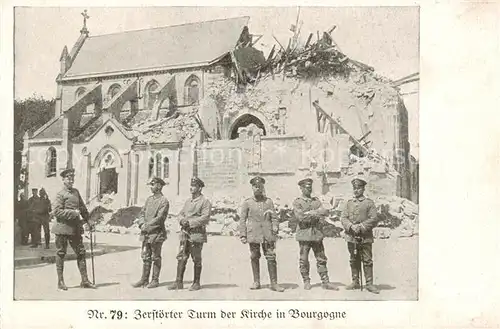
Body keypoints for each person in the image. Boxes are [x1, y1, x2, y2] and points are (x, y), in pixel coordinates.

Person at [52, 168, 96, 291]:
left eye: (72, 178)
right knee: (61, 253)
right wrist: (73, 213)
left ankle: (85, 280)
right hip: (62, 229)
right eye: (68, 178)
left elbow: (82, 208)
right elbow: (56, 211)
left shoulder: (76, 192)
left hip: (75, 229)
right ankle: (60, 282)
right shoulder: (60, 194)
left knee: (81, 253)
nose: (71, 180)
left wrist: (89, 220)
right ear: (63, 180)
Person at [238, 176, 284, 292]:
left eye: (260, 187)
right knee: (254, 256)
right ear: (252, 188)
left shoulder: (268, 202)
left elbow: (274, 217)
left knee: (271, 257)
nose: (258, 189)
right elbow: (242, 219)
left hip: (267, 234)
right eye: (256, 186)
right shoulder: (247, 203)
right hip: (253, 234)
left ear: (263, 187)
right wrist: (243, 234)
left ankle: (274, 283)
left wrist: (275, 227)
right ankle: (256, 281)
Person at [292, 178, 337, 290]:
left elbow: (324, 213)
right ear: (301, 188)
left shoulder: (316, 201)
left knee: (321, 258)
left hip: (316, 233)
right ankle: (306, 281)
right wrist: (316, 213)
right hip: (304, 234)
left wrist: (311, 213)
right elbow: (301, 218)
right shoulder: (297, 202)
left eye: (310, 187)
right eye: (306, 187)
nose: (309, 189)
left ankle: (325, 281)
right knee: (304, 260)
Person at [168, 177, 211, 291]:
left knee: (196, 258)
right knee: (181, 257)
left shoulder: (204, 202)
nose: (191, 188)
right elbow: (180, 214)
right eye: (191, 186)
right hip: (185, 233)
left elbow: (205, 218)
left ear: (200, 188)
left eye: (194, 186)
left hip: (197, 234)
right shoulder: (188, 201)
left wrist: (190, 222)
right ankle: (178, 282)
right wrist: (182, 220)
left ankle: (196, 283)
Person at [340, 177, 380, 294]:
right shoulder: (349, 203)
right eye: (354, 188)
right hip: (351, 236)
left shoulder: (369, 203)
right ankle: (355, 281)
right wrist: (351, 227)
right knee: (353, 259)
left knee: (367, 260)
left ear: (363, 189)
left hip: (365, 236)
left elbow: (374, 219)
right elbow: (343, 218)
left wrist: (361, 226)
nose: (356, 190)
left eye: (358, 188)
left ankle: (369, 284)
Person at [131, 177, 170, 289]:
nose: (151, 187)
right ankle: (144, 280)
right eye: (151, 185)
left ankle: (155, 280)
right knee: (145, 256)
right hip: (146, 233)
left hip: (156, 233)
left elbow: (160, 218)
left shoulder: (164, 201)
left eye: (153, 185)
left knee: (156, 257)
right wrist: (141, 224)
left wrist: (147, 226)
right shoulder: (149, 199)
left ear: (159, 186)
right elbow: (142, 213)